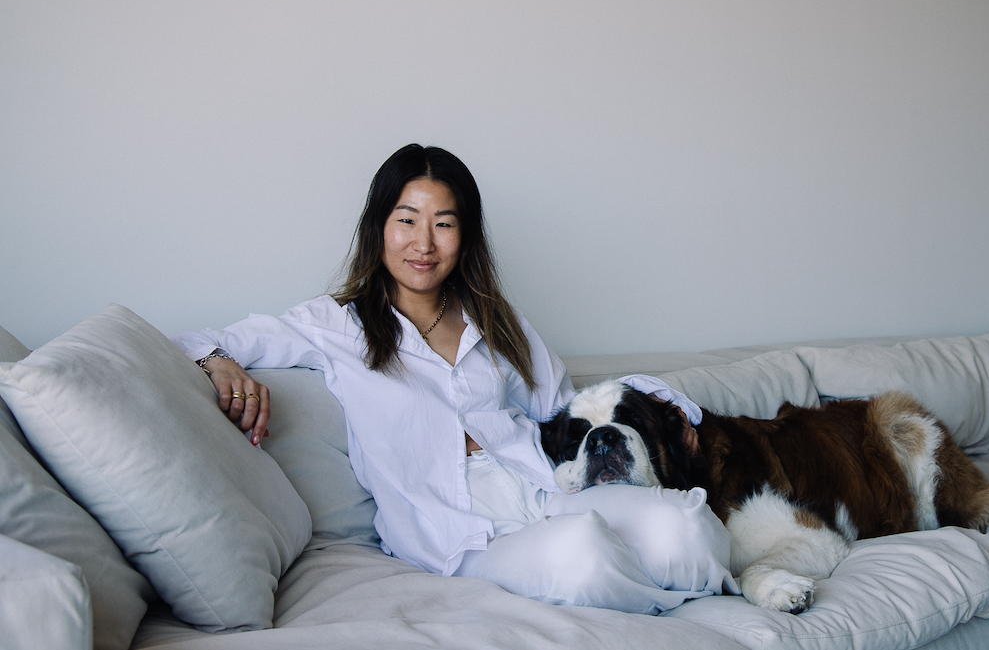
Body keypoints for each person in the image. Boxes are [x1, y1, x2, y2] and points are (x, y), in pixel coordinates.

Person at [173, 144, 737, 614]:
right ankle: (671, 608)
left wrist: (669, 403)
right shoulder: (334, 325)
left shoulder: (493, 319)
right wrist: (216, 362)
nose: (424, 243)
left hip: (539, 493)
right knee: (581, 551)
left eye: (444, 224)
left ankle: (704, 599)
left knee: (681, 519)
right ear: (379, 227)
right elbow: (192, 342)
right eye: (407, 221)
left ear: (464, 236)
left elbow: (565, 406)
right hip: (456, 532)